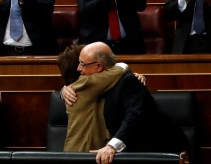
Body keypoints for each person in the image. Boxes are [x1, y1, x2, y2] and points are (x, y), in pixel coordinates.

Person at [61, 42, 189, 163]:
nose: (79, 69)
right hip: (130, 151)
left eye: (83, 64)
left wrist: (112, 146)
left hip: (160, 151)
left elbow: (135, 115)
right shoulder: (94, 83)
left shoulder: (128, 82)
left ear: (99, 66)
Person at [57, 44, 127, 152]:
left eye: (82, 63)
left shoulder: (74, 88)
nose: (79, 67)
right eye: (80, 63)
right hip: (83, 154)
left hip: (74, 151)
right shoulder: (87, 84)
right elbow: (119, 70)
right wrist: (124, 66)